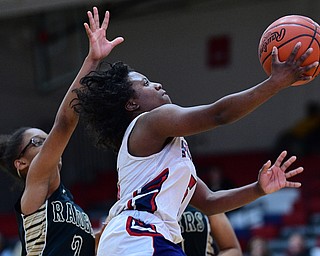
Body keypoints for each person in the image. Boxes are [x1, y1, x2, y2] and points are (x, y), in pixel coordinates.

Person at [73, 7, 318, 254]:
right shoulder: (151, 121)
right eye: (145, 84)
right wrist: (274, 83)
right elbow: (218, 115)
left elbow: (210, 203)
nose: (157, 84)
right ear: (131, 103)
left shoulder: (160, 147)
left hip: (136, 238)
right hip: (138, 236)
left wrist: (258, 188)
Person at [0, 7, 123, 255]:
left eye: (48, 140)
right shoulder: (35, 193)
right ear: (21, 163)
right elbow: (64, 124)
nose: (49, 144)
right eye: (38, 142)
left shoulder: (70, 203)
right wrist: (92, 61)